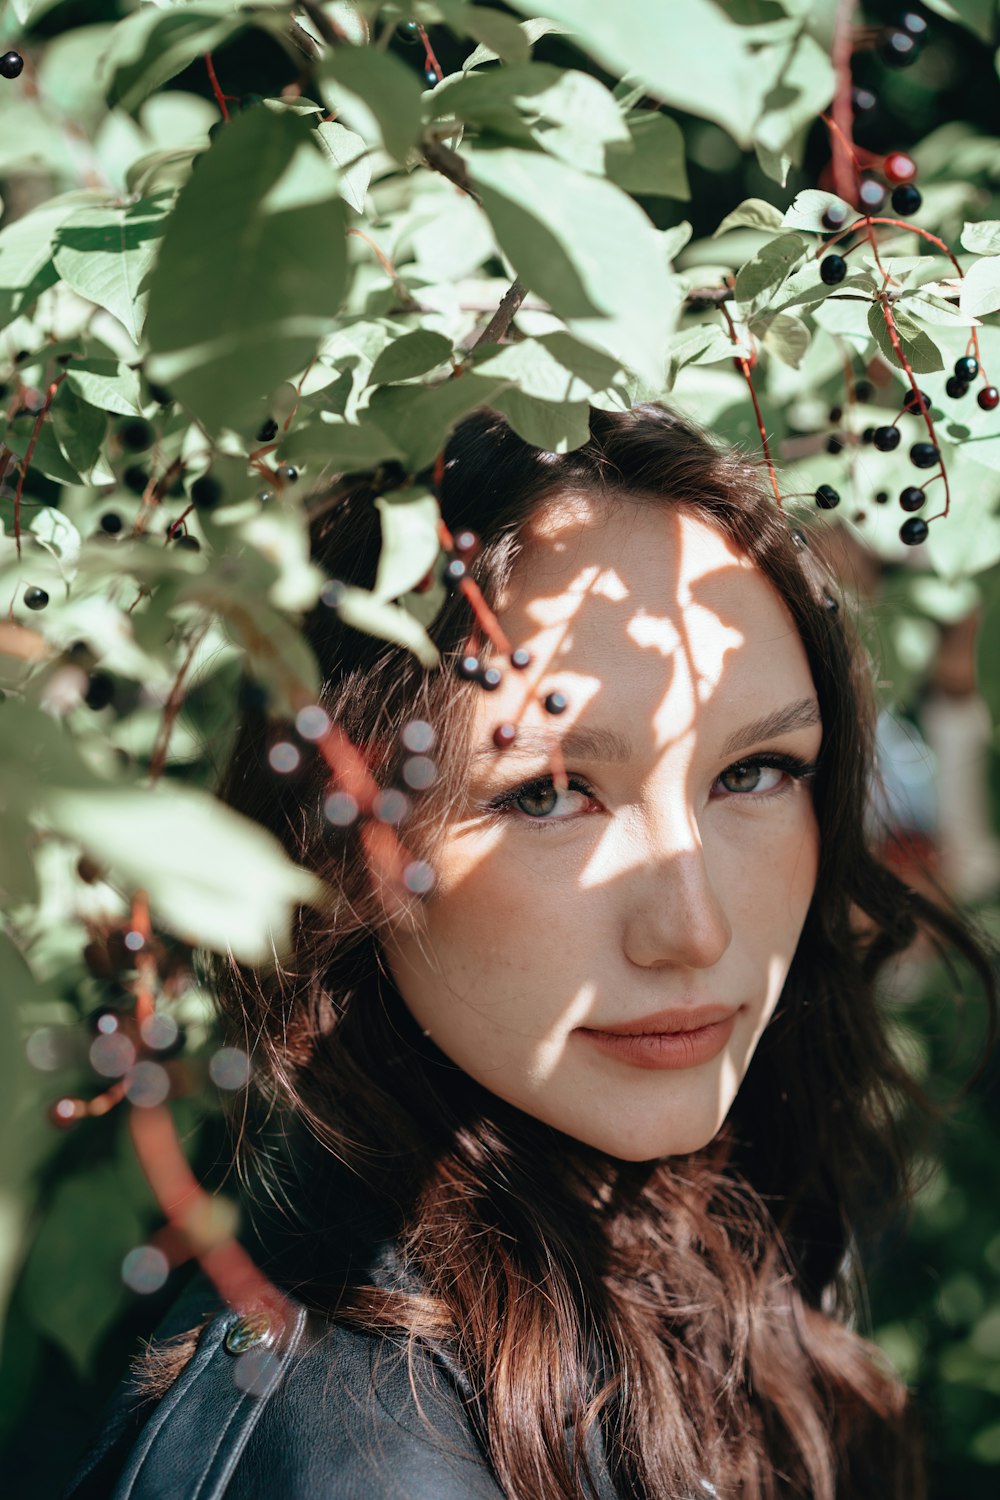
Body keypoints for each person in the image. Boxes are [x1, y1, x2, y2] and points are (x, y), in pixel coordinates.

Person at [67, 404, 997, 1500]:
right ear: (338, 842)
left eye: (754, 773)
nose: (693, 929)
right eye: (548, 793)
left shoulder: (695, 1233)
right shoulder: (361, 1456)